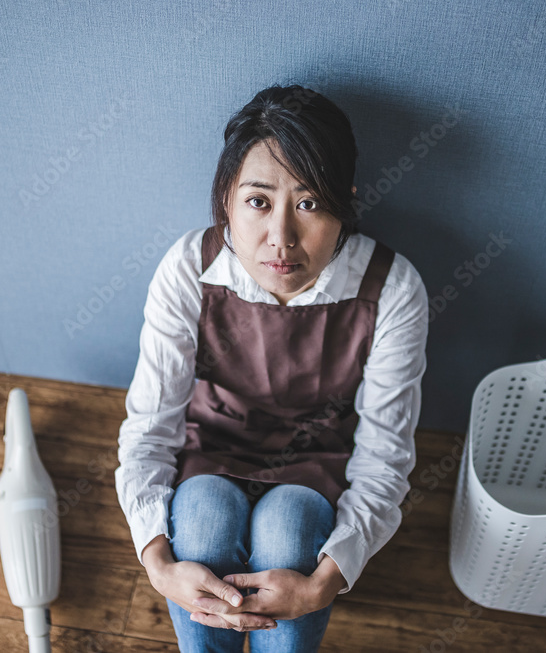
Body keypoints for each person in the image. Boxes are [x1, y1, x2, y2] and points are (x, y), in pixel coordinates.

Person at [115, 84, 429, 652]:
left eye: (308, 203)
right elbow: (149, 427)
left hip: (315, 467)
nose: (280, 239)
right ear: (227, 201)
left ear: (346, 202)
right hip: (209, 452)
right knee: (204, 520)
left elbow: (385, 456)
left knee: (289, 530)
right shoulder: (191, 266)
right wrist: (160, 566)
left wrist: (319, 588)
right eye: (258, 201)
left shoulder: (392, 288)